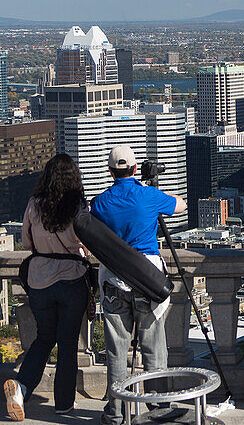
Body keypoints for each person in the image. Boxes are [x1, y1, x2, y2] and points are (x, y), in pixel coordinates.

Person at [93, 146, 185, 425]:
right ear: (134, 169)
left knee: (116, 352)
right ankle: (158, 408)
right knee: (154, 349)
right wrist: (151, 189)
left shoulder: (100, 203)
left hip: (113, 281)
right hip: (147, 280)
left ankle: (116, 413)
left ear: (110, 172)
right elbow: (180, 204)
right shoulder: (148, 196)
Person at [4, 155, 90, 421]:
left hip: (39, 279)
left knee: (44, 338)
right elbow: (87, 239)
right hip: (71, 278)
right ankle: (63, 404)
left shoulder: (34, 204)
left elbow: (27, 241)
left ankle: (21, 388)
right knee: (67, 344)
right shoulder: (77, 205)